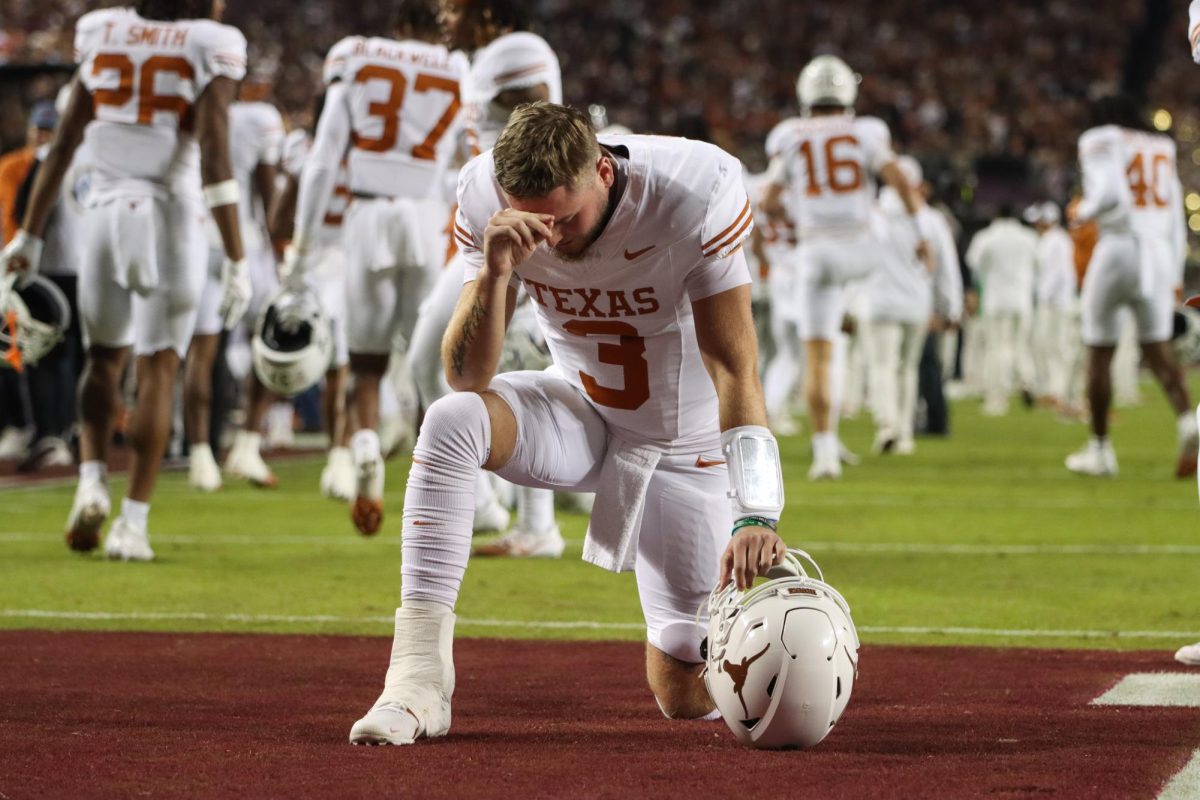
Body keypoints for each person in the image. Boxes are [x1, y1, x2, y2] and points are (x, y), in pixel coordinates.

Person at [347, 102, 787, 745]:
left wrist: (757, 511)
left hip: (684, 448)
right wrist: (495, 272)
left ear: (603, 172)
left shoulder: (694, 190)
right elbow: (466, 376)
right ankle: (416, 682)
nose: (550, 237)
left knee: (683, 696)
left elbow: (734, 369)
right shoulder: (482, 195)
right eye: (534, 220)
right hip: (582, 409)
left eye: (564, 218)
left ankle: (769, 636)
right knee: (452, 420)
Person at [0, 0, 250, 560]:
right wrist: (236, 255)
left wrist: (30, 236)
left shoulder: (101, 29)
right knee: (158, 366)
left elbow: (63, 144)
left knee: (102, 359)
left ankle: (90, 480)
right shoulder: (209, 41)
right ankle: (132, 523)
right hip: (171, 218)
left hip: (104, 217)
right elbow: (213, 151)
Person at [288, 0, 468, 535]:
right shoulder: (457, 70)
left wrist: (300, 248)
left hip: (366, 215)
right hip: (427, 217)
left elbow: (323, 160)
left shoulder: (356, 59)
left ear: (397, 25)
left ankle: (363, 443)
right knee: (429, 364)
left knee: (364, 365)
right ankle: (434, 489)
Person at [407, 0, 568, 555]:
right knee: (435, 362)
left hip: (518, 231)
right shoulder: (481, 59)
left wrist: (534, 250)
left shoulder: (517, 53)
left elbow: (550, 149)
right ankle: (485, 504)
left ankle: (534, 522)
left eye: (454, 8)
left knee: (516, 367)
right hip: (483, 231)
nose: (443, 19)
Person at [761, 55, 930, 480]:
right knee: (855, 331)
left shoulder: (790, 135)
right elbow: (900, 182)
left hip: (817, 252)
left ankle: (824, 454)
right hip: (863, 247)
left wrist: (795, 217)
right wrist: (921, 236)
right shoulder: (867, 131)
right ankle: (867, 419)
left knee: (818, 355)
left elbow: (768, 200)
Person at [1064, 95, 1197, 478]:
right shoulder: (1160, 145)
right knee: (1157, 349)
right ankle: (1188, 422)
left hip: (1120, 246)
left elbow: (1110, 196)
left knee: (1099, 351)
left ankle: (1100, 450)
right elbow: (1175, 216)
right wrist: (1172, 274)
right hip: (1156, 253)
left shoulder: (1102, 138)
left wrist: (1081, 213)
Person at [184, 83, 285, 491]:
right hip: (243, 241)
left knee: (200, 353)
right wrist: (280, 249)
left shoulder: (183, 110)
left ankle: (200, 456)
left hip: (194, 240)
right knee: (270, 342)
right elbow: (268, 192)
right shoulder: (258, 119)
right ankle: (247, 443)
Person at [268, 95, 354, 501]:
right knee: (286, 351)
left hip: (334, 260)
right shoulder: (311, 152)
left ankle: (339, 454)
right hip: (319, 261)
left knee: (338, 363)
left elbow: (276, 223)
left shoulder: (311, 151)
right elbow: (279, 221)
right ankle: (262, 432)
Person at [1030, 202, 1077, 411]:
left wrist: (1043, 297)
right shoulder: (1056, 239)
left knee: (1056, 347)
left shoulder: (1054, 240)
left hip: (1055, 302)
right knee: (1048, 347)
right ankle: (1053, 389)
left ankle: (1058, 391)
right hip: (1056, 301)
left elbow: (1055, 274)